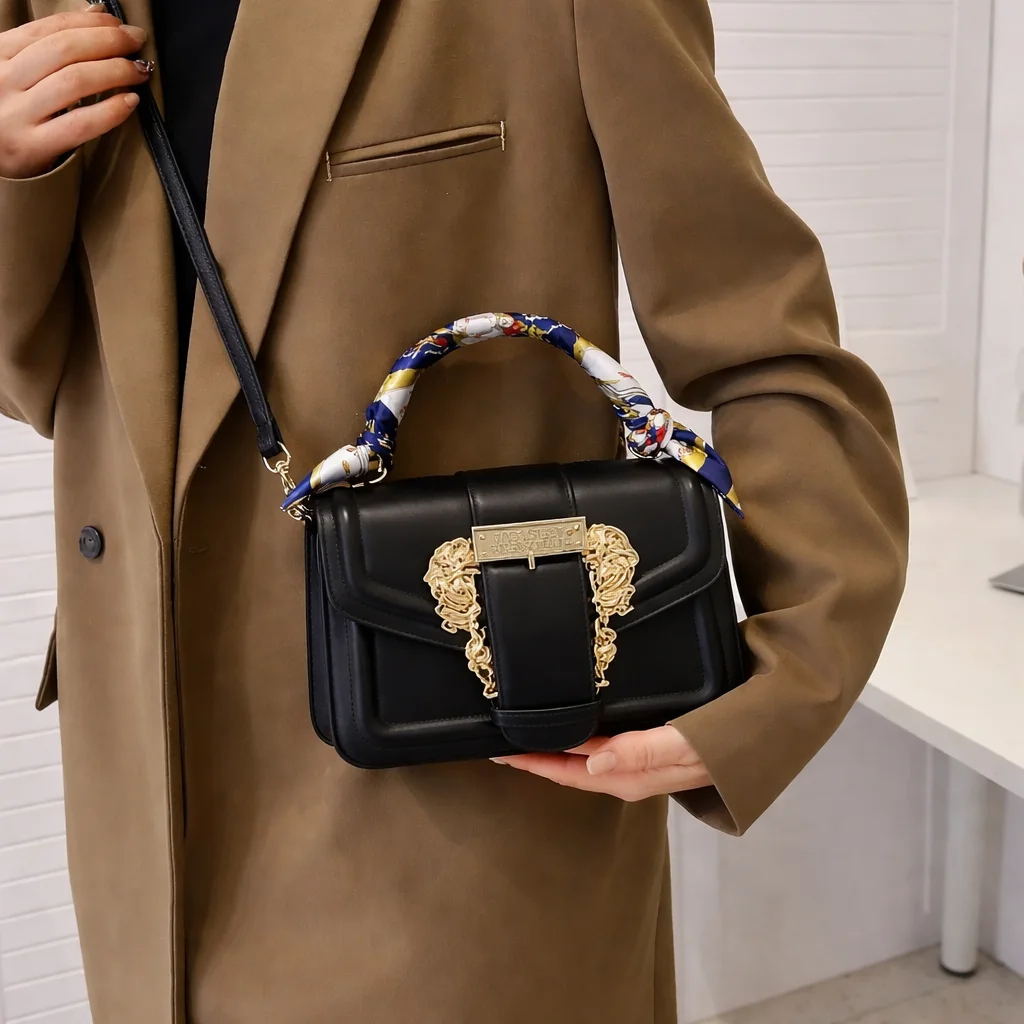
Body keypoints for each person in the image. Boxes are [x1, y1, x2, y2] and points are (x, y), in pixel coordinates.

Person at [0, 2, 910, 1022]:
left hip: (455, 804)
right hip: (141, 797)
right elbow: (44, 384)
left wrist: (789, 673)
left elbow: (764, 337)